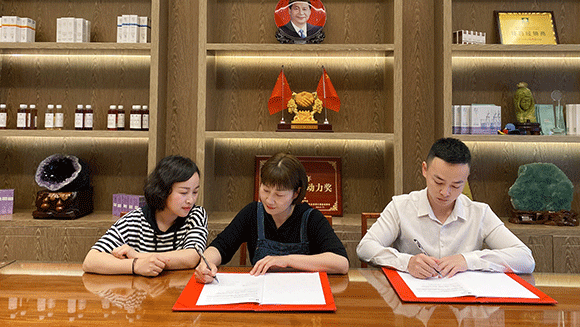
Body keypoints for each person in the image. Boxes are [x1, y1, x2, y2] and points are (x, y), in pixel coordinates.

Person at [357, 138, 535, 279]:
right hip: (414, 299)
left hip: (464, 302)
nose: (445, 192)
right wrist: (406, 262)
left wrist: (467, 260)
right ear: (425, 170)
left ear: (466, 178)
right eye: (438, 182)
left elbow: (525, 259)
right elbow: (365, 248)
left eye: (456, 185)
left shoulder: (479, 213)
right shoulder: (401, 206)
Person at [195, 152, 349, 283]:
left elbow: (341, 263)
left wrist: (286, 260)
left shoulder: (311, 218)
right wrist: (206, 264)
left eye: (279, 195)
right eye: (265, 190)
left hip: (302, 293)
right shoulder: (252, 213)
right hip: (260, 291)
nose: (269, 200)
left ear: (296, 193)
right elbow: (221, 246)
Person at [83, 155, 208, 277]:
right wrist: (136, 265)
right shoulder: (135, 220)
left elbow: (192, 257)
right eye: (183, 192)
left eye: (195, 192)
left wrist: (137, 255)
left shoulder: (196, 215)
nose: (191, 200)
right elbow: (90, 261)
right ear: (163, 190)